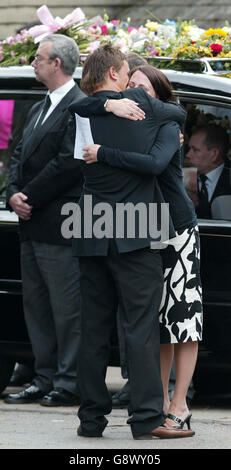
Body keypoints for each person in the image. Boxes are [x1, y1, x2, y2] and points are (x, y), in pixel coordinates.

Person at [69, 44, 192, 440]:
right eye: (124, 71)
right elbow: (178, 112)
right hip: (137, 225)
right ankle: (145, 419)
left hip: (90, 224)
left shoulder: (83, 112)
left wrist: (105, 106)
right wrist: (125, 102)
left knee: (92, 328)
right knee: (139, 328)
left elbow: (80, 116)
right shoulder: (143, 104)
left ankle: (90, 420)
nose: (127, 78)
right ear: (115, 73)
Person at [5, 34, 84, 407]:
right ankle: (44, 375)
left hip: (58, 224)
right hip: (30, 223)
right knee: (35, 306)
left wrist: (29, 196)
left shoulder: (79, 106)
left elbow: (68, 163)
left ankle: (69, 381)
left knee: (66, 310)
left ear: (57, 64)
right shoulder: (39, 107)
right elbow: (18, 153)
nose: (33, 63)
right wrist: (12, 193)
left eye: (39, 58)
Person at [186, 124, 231, 218]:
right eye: (189, 148)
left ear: (214, 154)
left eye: (195, 150)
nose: (188, 155)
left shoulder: (229, 178)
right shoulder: (184, 178)